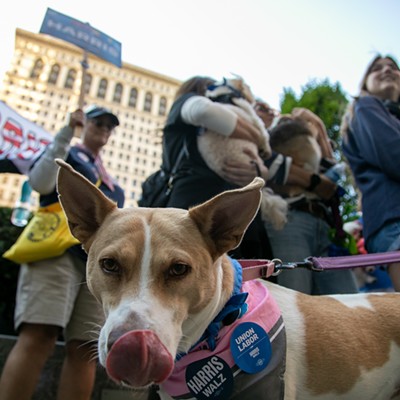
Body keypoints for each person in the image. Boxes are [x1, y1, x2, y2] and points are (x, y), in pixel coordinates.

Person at [0, 105, 125, 400]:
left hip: (96, 269)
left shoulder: (113, 184)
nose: (103, 129)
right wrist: (66, 132)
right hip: (54, 253)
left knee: (85, 350)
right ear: (85, 124)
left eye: (110, 125)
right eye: (98, 122)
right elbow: (39, 182)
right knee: (39, 335)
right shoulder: (67, 153)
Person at [259, 111, 359, 295]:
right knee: (295, 294)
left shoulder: (312, 151)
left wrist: (318, 125)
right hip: (288, 219)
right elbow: (270, 167)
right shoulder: (263, 145)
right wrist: (317, 182)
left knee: (348, 298)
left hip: (325, 224)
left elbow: (331, 174)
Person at [341, 54, 400, 292]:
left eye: (393, 67)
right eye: (376, 69)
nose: (387, 70)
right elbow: (394, 155)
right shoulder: (366, 106)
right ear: (365, 84)